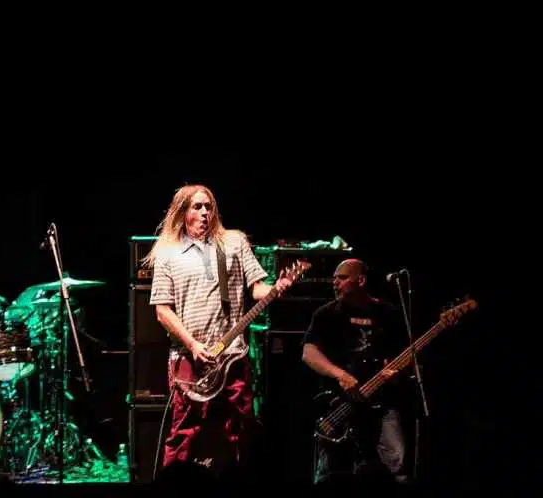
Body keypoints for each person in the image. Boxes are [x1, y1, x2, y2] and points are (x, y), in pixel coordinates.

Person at [144, 184, 292, 481]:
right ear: (182, 212)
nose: (204, 212)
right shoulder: (168, 253)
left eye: (209, 206)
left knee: (239, 426)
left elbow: (256, 289)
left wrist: (276, 288)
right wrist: (192, 344)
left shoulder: (234, 243)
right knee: (184, 430)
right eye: (197, 206)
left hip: (232, 353)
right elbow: (162, 310)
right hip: (189, 356)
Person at [302, 258, 411, 485]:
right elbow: (309, 353)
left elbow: (400, 356)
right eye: (334, 279)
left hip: (380, 401)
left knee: (397, 466)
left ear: (360, 280)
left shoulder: (388, 313)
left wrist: (396, 373)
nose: (335, 283)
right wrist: (340, 375)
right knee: (330, 473)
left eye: (342, 278)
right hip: (339, 404)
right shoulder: (326, 314)